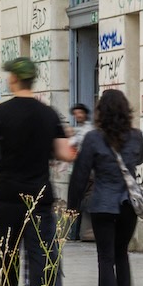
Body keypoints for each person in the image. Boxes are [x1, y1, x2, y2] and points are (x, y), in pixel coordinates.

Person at [0, 58, 76, 286]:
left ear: (13, 80)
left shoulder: (1, 112)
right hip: (40, 198)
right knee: (44, 259)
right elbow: (66, 153)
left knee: (2, 258)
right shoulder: (49, 114)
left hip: (7, 197)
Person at [67, 89, 143, 286]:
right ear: (126, 111)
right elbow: (140, 159)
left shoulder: (93, 138)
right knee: (122, 254)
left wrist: (73, 207)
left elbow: (80, 174)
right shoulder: (135, 136)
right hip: (128, 205)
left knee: (105, 258)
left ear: (100, 112)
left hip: (102, 205)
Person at [57, 103, 93, 242]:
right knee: (74, 200)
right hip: (77, 170)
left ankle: (76, 232)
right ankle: (73, 232)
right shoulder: (78, 128)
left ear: (85, 114)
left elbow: (73, 142)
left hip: (86, 171)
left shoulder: (87, 129)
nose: (78, 115)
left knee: (78, 200)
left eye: (80, 113)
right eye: (76, 113)